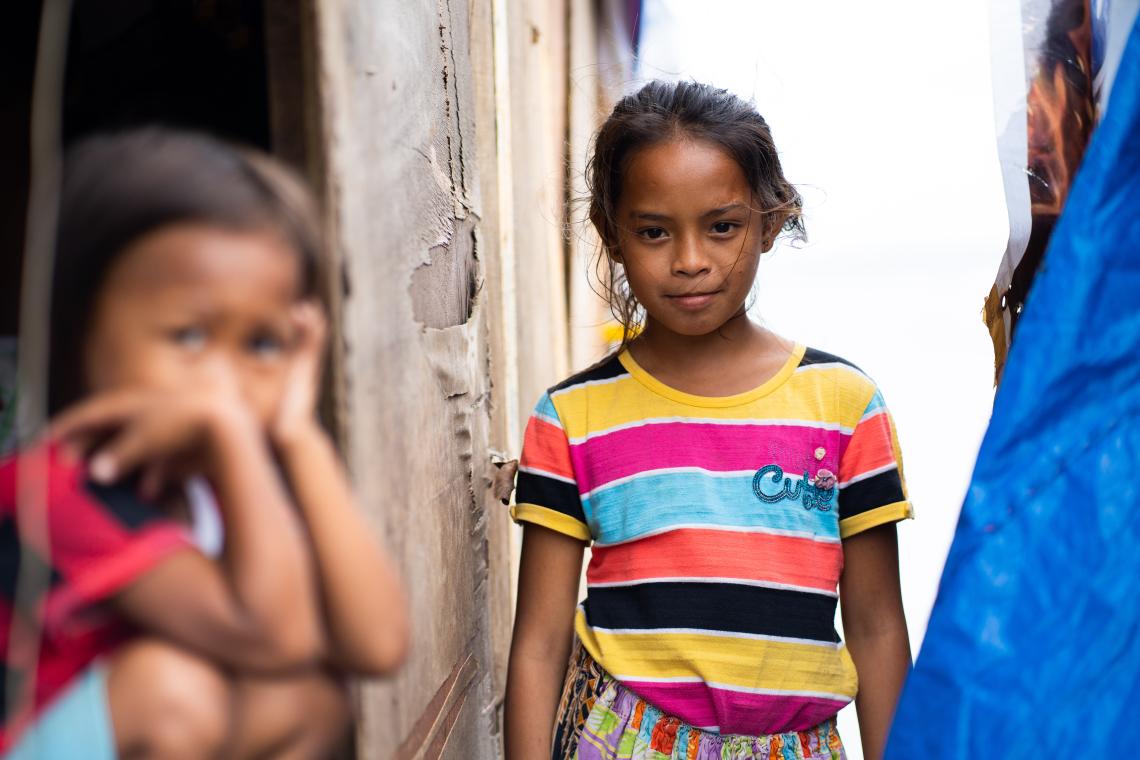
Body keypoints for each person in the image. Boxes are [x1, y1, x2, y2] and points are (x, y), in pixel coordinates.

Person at [504, 81, 913, 760]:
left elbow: (875, 627)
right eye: (654, 231)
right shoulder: (571, 419)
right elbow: (539, 645)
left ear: (771, 222)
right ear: (612, 234)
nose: (690, 260)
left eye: (721, 226)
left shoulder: (844, 406)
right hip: (622, 740)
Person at [1, 128, 409, 759]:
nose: (222, 387)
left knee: (309, 703)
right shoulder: (58, 485)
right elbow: (276, 635)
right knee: (173, 690)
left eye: (262, 345)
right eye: (188, 337)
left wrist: (298, 436)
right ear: (75, 332)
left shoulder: (217, 485)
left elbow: (377, 644)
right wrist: (229, 433)